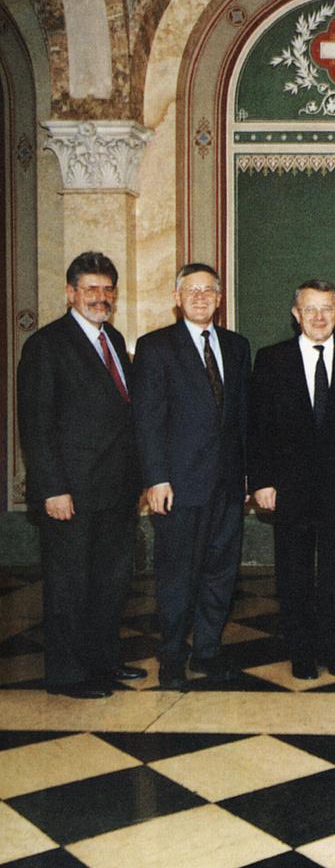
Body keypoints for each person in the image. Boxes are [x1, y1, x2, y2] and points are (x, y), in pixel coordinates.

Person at [16, 252, 143, 699]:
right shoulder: (46, 345)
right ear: (70, 293)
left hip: (116, 488)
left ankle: (103, 661)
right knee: (70, 585)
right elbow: (36, 425)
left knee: (109, 582)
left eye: (107, 289)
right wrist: (52, 487)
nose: (100, 297)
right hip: (70, 491)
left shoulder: (114, 338)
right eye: (90, 289)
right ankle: (68, 675)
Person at [248, 279, 335, 680]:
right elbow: (258, 427)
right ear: (296, 314)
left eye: (326, 308)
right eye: (310, 309)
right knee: (294, 574)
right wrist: (262, 481)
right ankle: (301, 653)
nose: (319, 317)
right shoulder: (271, 359)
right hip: (290, 488)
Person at [133, 263, 250, 690]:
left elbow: (241, 419)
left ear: (219, 300)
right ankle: (171, 657)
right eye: (192, 290)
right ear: (177, 299)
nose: (201, 297)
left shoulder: (237, 347)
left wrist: (247, 478)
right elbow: (147, 420)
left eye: (209, 291)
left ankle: (207, 652)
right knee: (177, 576)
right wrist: (156, 478)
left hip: (227, 485)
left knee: (221, 572)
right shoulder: (155, 346)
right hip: (178, 486)